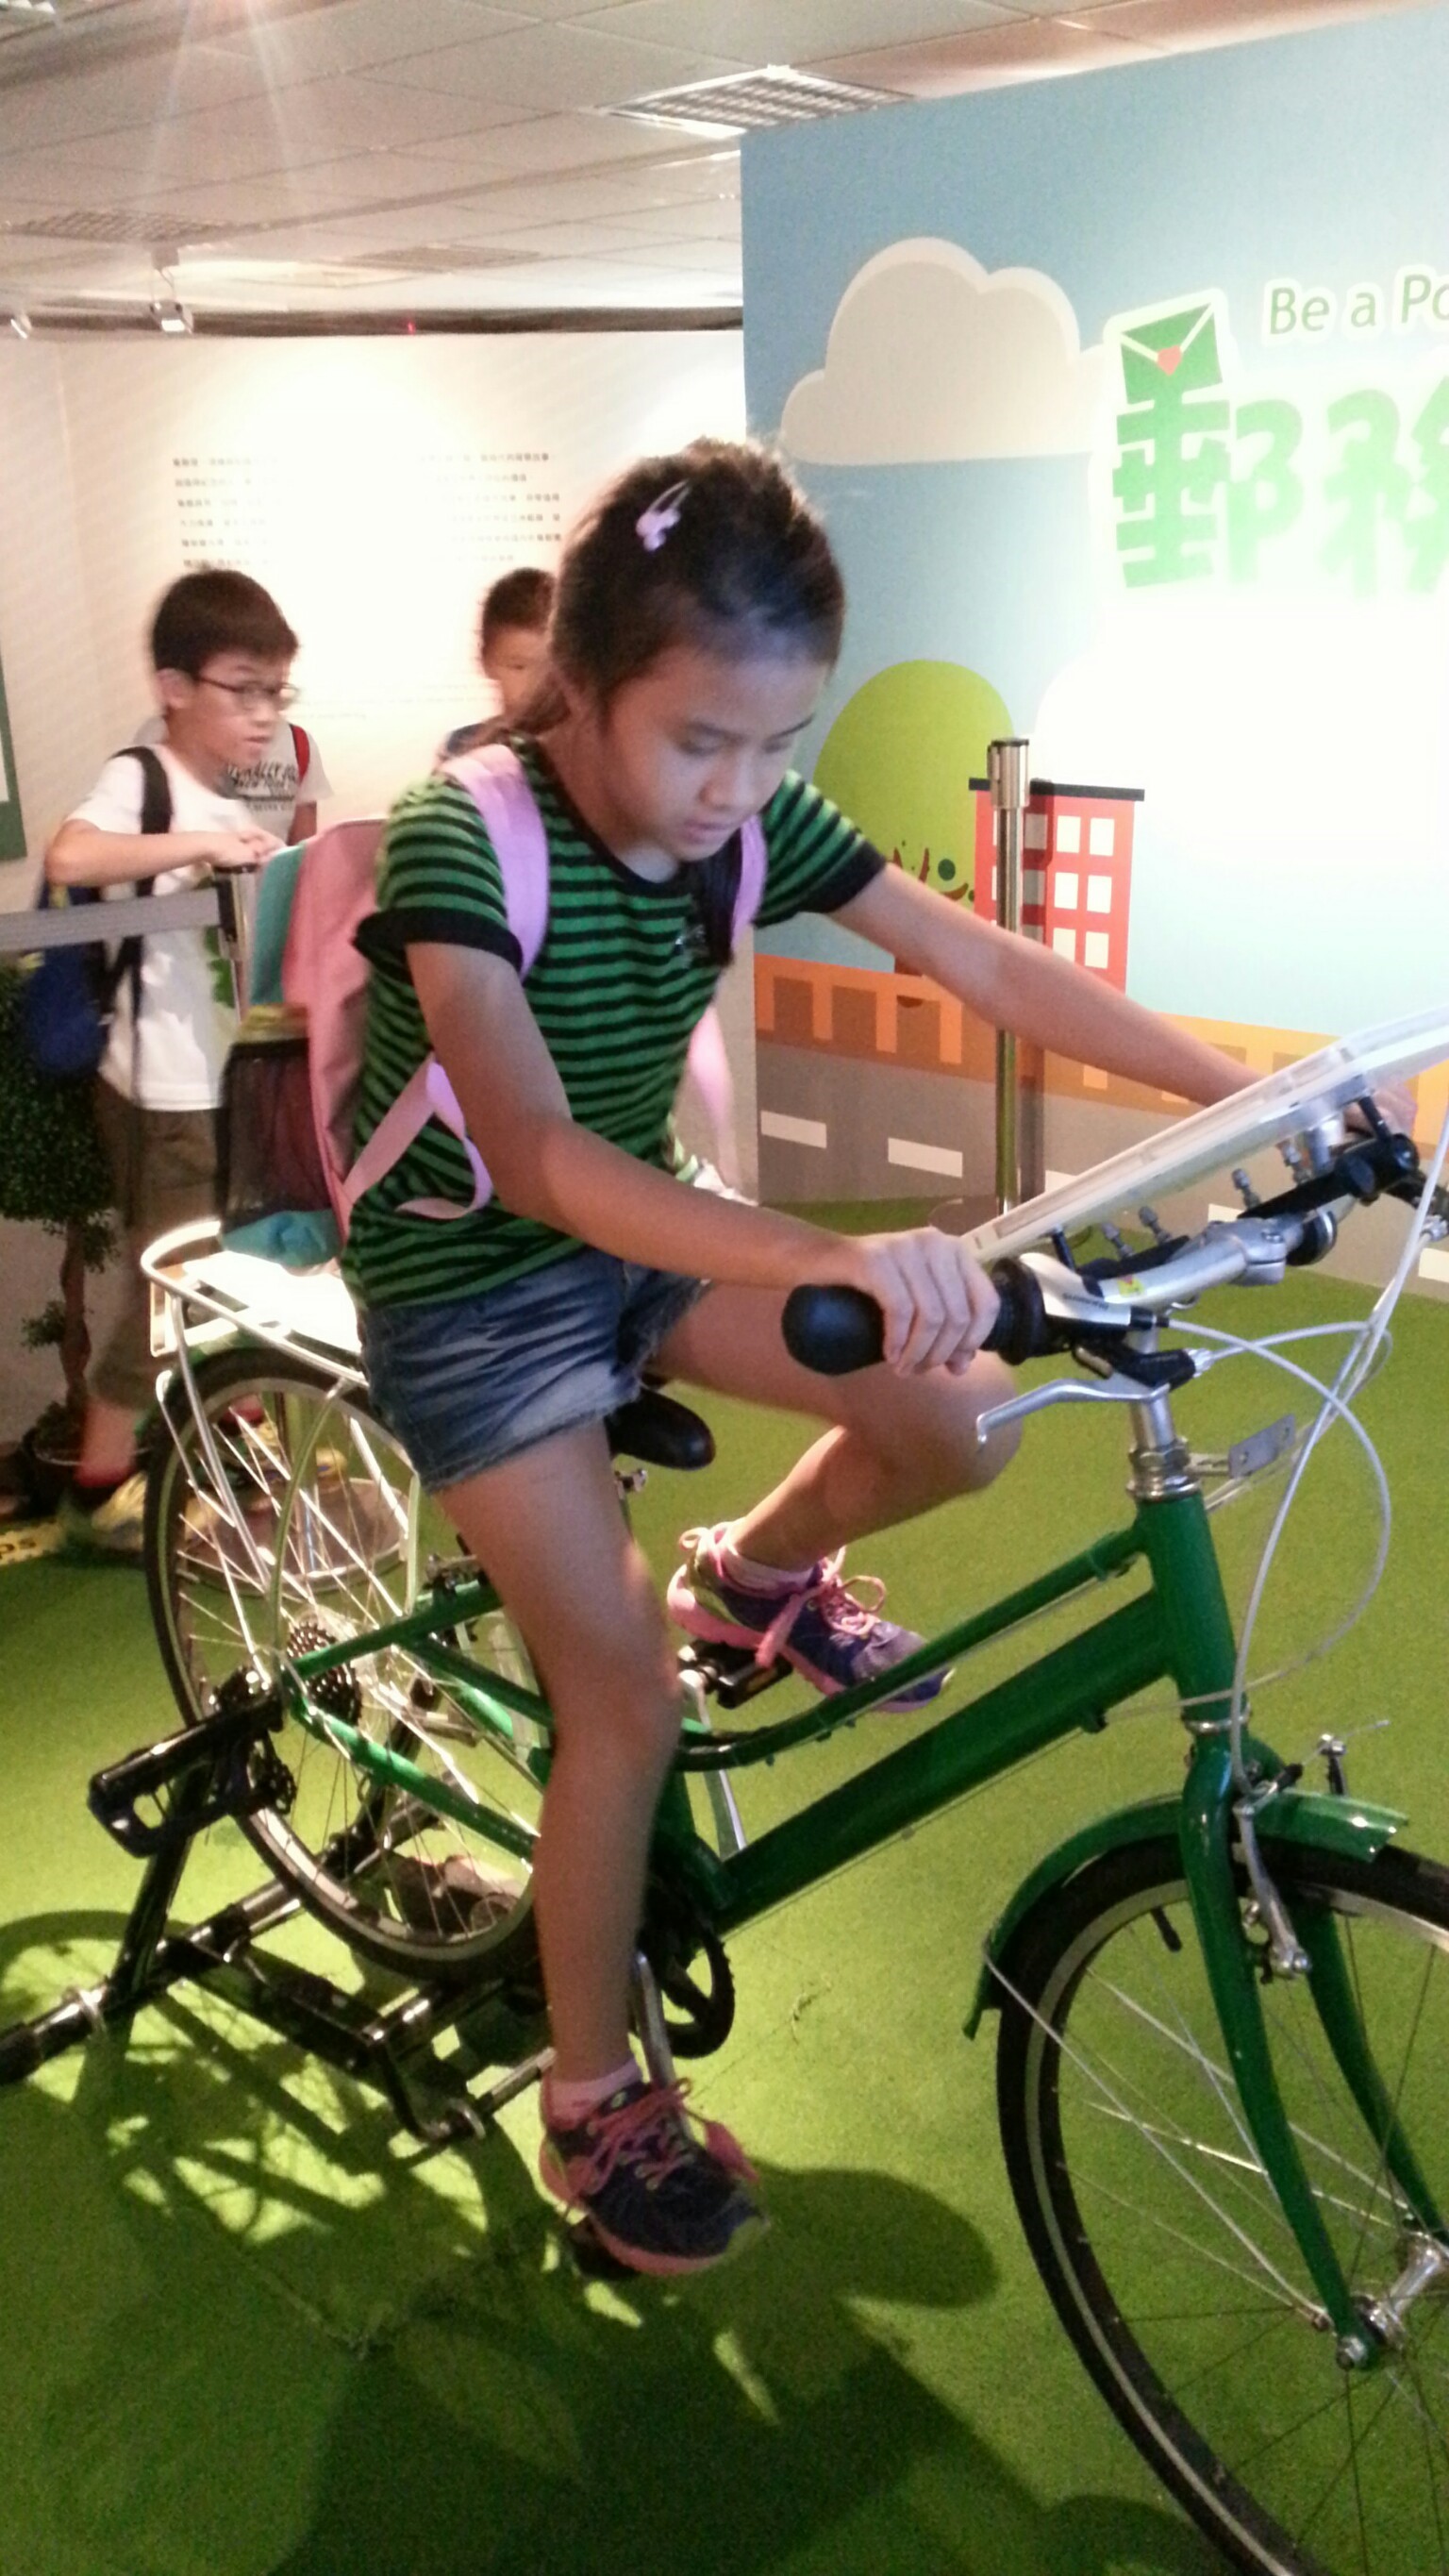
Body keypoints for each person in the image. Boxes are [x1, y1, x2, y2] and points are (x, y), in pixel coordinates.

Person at [345, 441, 1254, 2280]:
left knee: (962, 1419)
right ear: (580, 681)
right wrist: (830, 1250)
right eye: (703, 741)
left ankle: (754, 1577)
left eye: (779, 744)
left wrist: (1243, 1096)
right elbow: (538, 1156)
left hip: (648, 1239)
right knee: (621, 1702)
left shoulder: (746, 813)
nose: (741, 792)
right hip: (479, 1292)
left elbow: (982, 963)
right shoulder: (466, 834)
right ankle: (591, 2100)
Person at [45, 568, 291, 1554]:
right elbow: (69, 859)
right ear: (174, 687)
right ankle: (100, 1489)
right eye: (244, 688)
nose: (265, 714)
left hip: (223, 1079)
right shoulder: (140, 779)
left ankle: (246, 1456)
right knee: (170, 1291)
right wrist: (204, 846)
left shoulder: (228, 788)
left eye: (276, 691)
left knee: (231, 1272)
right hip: (164, 1091)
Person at [133, 698, 330, 841]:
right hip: (186, 884)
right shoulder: (160, 733)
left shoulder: (299, 743)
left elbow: (302, 854)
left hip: (269, 883)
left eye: (274, 689)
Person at [439, 564, 555, 759]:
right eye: (519, 667)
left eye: (549, 668)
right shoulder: (461, 748)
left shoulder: (577, 752)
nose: (535, 684)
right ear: (486, 661)